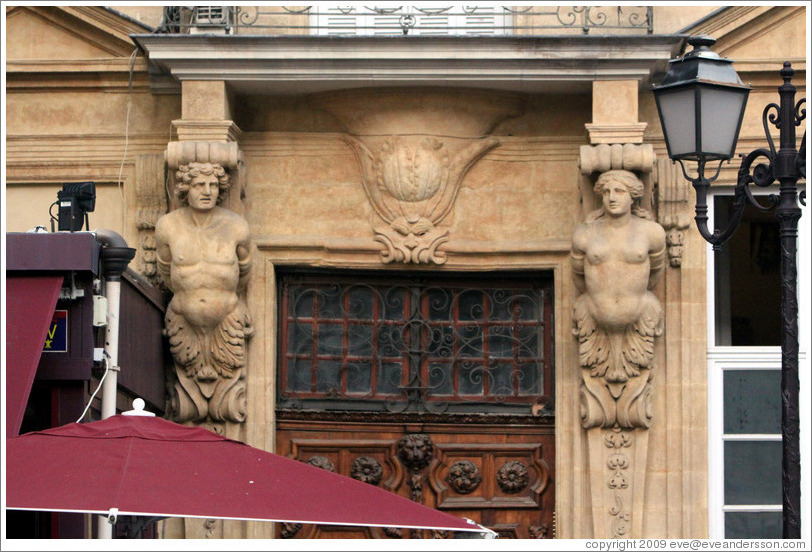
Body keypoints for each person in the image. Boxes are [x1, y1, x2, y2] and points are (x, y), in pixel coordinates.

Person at [155, 162, 252, 424]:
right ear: (186, 188)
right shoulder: (168, 227)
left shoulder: (236, 227)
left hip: (227, 320)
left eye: (213, 185)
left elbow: (243, 272)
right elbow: (166, 270)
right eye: (199, 185)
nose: (207, 191)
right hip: (183, 320)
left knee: (228, 404)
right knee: (185, 407)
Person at [571, 170, 666, 428]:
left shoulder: (652, 233)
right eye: (607, 192)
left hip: (637, 320)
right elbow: (579, 277)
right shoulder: (585, 234)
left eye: (620, 191)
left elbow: (654, 273)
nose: (612, 198)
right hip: (594, 318)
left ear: (633, 197)